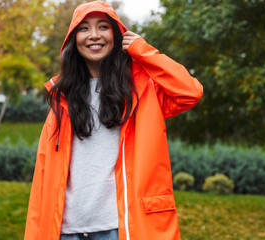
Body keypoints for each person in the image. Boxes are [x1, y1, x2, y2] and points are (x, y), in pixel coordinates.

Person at [24, 1, 203, 240]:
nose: (94, 35)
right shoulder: (62, 98)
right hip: (65, 231)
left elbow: (189, 92)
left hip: (122, 229)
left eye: (103, 26)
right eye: (84, 28)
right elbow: (43, 178)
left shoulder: (142, 90)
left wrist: (143, 52)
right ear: (72, 40)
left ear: (117, 35)